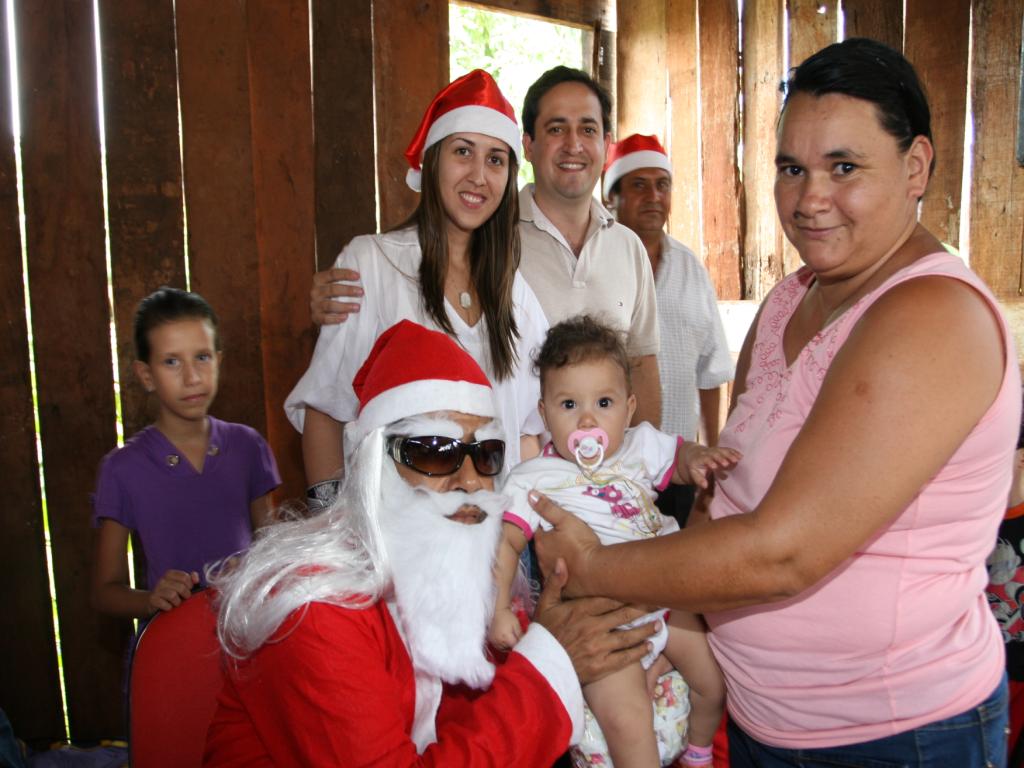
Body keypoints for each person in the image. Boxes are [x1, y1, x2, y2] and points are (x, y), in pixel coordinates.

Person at [532, 38, 1020, 768]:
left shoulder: (931, 317)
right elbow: (720, 492)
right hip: (766, 718)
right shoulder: (791, 300)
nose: (809, 199)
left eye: (844, 168)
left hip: (891, 735)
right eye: (792, 169)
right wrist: (674, 631)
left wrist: (596, 568)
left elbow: (785, 550)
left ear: (916, 166)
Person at [203, 320, 658, 766]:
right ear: (373, 466)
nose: (470, 481)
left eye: (485, 455)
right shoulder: (314, 607)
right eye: (432, 451)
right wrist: (551, 662)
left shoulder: (466, 578)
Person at [307, 66, 663, 427]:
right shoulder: (495, 244)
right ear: (528, 145)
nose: (573, 144)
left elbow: (640, 362)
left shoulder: (624, 248)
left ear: (606, 142)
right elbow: (330, 397)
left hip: (555, 475)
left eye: (587, 129)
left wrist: (648, 467)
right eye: (556, 128)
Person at [285, 69, 549, 506]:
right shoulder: (371, 263)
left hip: (491, 539)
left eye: (496, 159)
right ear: (431, 161)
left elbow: (525, 432)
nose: (479, 176)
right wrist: (331, 526)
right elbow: (325, 410)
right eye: (463, 152)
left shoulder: (515, 292)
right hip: (393, 540)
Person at [489, 316, 734, 768]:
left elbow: (679, 460)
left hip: (664, 596)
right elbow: (505, 545)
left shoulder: (641, 446)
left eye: (603, 402)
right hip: (598, 619)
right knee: (627, 719)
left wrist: (698, 459)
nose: (587, 418)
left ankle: (698, 755)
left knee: (713, 682)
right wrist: (500, 607)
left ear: (628, 407)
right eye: (568, 404)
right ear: (543, 414)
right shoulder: (532, 480)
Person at [91, 287, 280, 619]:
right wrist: (151, 599)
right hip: (170, 650)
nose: (192, 377)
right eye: (172, 362)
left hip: (247, 636)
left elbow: (273, 549)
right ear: (146, 375)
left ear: (218, 361)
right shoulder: (123, 468)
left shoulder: (247, 446)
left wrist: (256, 569)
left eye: (202, 357)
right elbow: (106, 591)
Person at [604, 134, 733, 525]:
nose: (653, 196)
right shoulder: (597, 264)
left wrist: (712, 453)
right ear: (613, 197)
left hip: (678, 465)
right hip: (610, 466)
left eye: (662, 185)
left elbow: (710, 370)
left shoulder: (690, 268)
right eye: (639, 185)